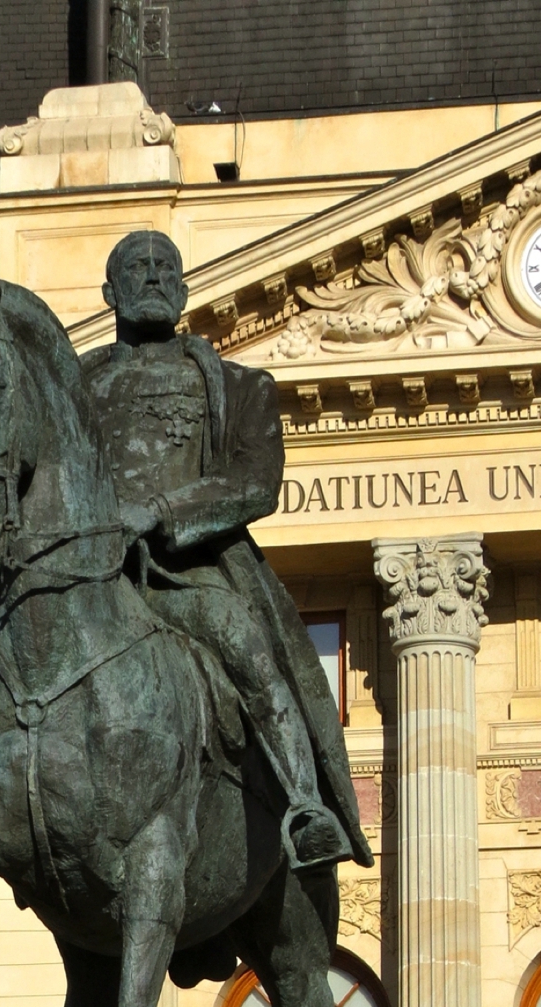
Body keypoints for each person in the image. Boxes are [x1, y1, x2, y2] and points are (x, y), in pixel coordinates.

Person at [82, 229, 370, 877]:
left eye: (165, 267)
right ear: (109, 292)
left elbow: (253, 483)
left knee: (249, 651)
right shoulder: (75, 384)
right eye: (137, 268)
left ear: (185, 290)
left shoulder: (239, 386)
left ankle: (304, 805)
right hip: (87, 570)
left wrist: (160, 514)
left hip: (187, 572)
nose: (153, 277)